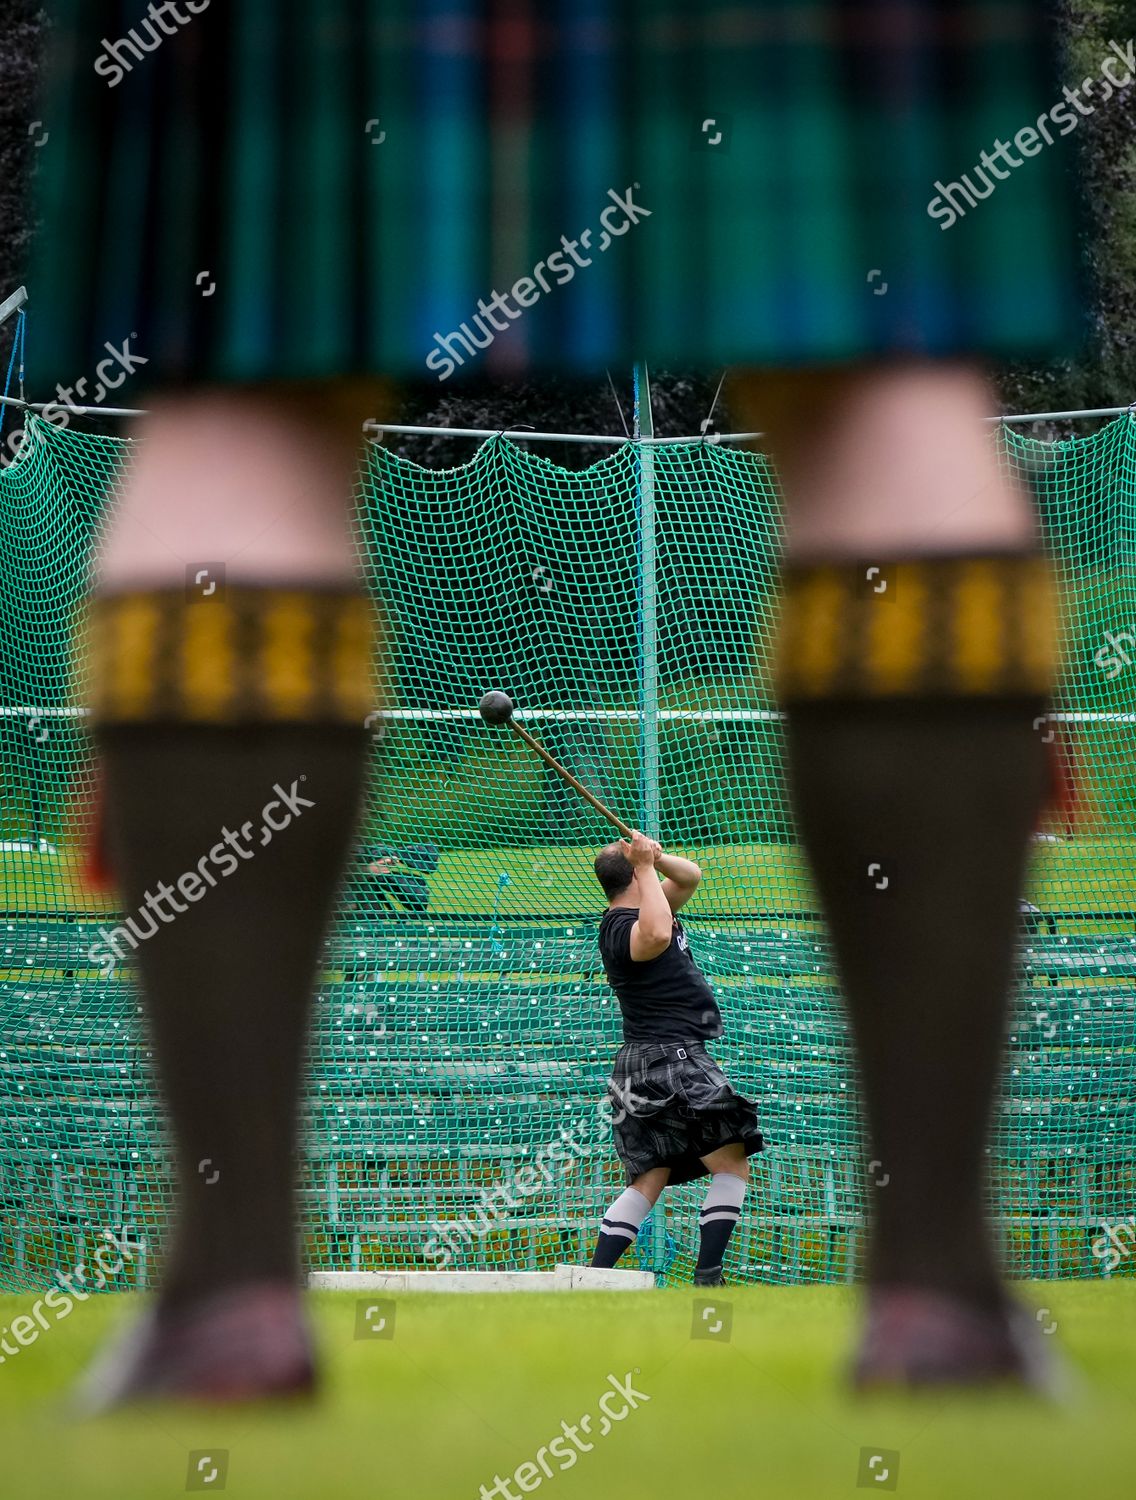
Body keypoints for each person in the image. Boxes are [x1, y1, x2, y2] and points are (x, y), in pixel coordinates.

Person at [31, 2, 1078, 1402]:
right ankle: (942, 1297)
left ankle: (226, 1301)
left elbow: (671, 884)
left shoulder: (640, 908)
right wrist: (651, 860)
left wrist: (647, 855)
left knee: (243, 391)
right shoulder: (640, 921)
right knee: (885, 378)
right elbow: (670, 890)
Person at [590, 832, 762, 1287]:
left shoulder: (646, 905)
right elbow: (657, 934)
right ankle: (707, 1276)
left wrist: (657, 859)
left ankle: (590, 1283)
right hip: (672, 1057)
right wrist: (646, 867)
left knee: (650, 1179)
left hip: (644, 1062)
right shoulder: (622, 927)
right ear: (633, 877)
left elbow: (690, 878)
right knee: (732, 1167)